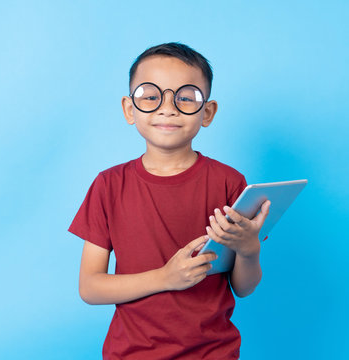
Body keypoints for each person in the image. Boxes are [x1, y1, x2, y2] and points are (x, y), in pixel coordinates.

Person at [68, 42, 271, 359]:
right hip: (131, 353)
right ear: (129, 109)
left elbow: (244, 287)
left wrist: (249, 249)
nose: (168, 107)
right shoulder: (108, 185)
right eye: (151, 96)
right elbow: (90, 287)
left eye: (186, 98)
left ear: (207, 113)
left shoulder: (230, 183)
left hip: (213, 352)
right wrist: (165, 278)